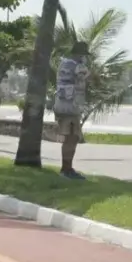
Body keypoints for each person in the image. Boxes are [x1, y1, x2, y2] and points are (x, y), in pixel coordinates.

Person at [53, 41, 90, 179]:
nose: (84, 57)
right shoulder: (75, 65)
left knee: (70, 138)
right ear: (79, 54)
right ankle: (66, 169)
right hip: (70, 107)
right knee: (71, 138)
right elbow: (87, 77)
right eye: (83, 55)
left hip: (64, 104)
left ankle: (67, 168)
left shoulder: (64, 63)